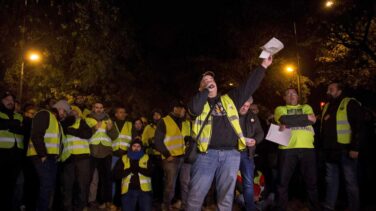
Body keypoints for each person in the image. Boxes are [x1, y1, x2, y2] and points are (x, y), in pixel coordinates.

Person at [186, 56, 273, 210]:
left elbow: (249, 86)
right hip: (206, 155)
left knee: (226, 198)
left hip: (231, 155)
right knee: (195, 196)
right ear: (200, 87)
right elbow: (194, 110)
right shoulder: (198, 101)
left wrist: (263, 66)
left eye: (211, 79)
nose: (209, 81)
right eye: (205, 81)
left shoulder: (230, 99)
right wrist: (205, 91)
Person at [274, 88, 320, 211]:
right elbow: (283, 119)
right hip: (287, 148)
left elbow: (313, 119)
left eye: (294, 93)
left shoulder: (306, 107)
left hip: (307, 148)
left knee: (312, 182)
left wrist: (289, 121)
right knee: (282, 182)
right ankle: (281, 208)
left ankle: (314, 207)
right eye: (288, 93)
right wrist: (304, 119)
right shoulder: (280, 109)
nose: (291, 95)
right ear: (284, 98)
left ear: (298, 97)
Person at [320, 82, 363, 211]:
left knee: (350, 181)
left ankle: (353, 207)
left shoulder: (349, 103)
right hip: (330, 151)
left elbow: (359, 126)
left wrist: (355, 147)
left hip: (345, 150)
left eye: (331, 89)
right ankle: (329, 205)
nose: (328, 92)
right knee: (331, 180)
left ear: (339, 91)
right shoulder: (327, 106)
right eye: (328, 89)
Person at [27, 99, 71, 211]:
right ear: (61, 108)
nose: (64, 115)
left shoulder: (57, 122)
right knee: (46, 186)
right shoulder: (44, 114)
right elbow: (36, 135)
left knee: (48, 187)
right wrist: (43, 155)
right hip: (41, 156)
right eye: (65, 112)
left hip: (51, 158)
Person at [154, 100, 189, 211]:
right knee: (170, 185)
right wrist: (167, 154)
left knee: (184, 183)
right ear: (176, 109)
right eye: (183, 109)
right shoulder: (164, 121)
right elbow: (158, 141)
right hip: (171, 159)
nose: (184, 111)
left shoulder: (184, 122)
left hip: (183, 157)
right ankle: (166, 206)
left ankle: (183, 205)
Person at [60, 105, 94, 211]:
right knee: (67, 185)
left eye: (75, 111)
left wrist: (72, 131)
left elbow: (87, 134)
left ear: (79, 113)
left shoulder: (83, 122)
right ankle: (67, 207)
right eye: (71, 111)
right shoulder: (64, 122)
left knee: (82, 185)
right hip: (68, 157)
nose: (73, 113)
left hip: (82, 157)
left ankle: (80, 207)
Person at [87, 102, 118, 209]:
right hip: (92, 152)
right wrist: (94, 128)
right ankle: (88, 201)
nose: (99, 109)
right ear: (93, 108)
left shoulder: (109, 120)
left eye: (101, 108)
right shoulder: (88, 119)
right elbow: (84, 134)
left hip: (106, 152)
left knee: (106, 178)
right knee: (90, 178)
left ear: (103, 109)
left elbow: (115, 136)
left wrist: (110, 130)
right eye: (96, 107)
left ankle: (106, 201)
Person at [238, 97, 264, 211]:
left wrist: (255, 140)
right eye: (243, 105)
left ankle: (250, 208)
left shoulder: (253, 117)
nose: (245, 107)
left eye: (247, 106)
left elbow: (260, 132)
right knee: (227, 181)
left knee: (248, 182)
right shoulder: (230, 114)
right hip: (231, 153)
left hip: (247, 154)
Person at [113, 138, 153, 211]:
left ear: (141, 148)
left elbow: (152, 173)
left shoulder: (147, 158)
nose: (136, 148)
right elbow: (115, 175)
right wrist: (129, 169)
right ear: (131, 147)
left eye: (138, 146)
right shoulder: (123, 158)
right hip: (128, 191)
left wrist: (138, 168)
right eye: (134, 146)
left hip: (144, 191)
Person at [0, 91, 24, 211]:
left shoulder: (19, 116)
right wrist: (13, 125)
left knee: (12, 186)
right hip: (2, 155)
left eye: (12, 100)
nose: (10, 102)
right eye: (7, 99)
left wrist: (9, 125)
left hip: (16, 158)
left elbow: (23, 129)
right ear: (2, 101)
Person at [142, 109, 164, 204]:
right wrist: (150, 142)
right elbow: (143, 140)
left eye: (158, 114)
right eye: (154, 115)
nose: (156, 116)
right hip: (151, 156)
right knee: (153, 177)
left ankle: (161, 197)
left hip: (162, 156)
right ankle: (153, 197)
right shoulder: (148, 127)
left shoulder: (164, 127)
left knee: (162, 177)